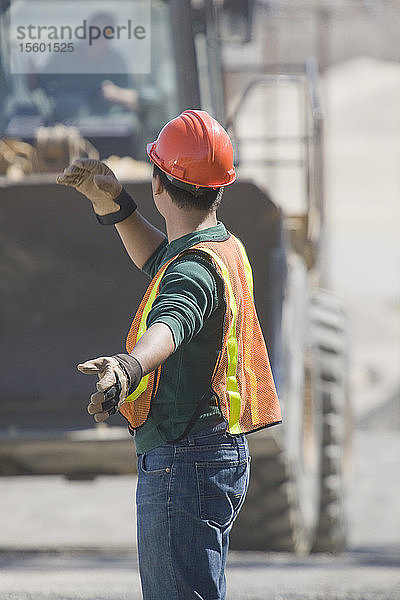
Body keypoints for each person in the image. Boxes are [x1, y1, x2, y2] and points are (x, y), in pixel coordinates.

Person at [57, 109, 281, 600]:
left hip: (185, 455)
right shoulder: (220, 248)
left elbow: (171, 322)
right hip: (212, 448)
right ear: (220, 187)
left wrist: (127, 366)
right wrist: (115, 203)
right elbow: (163, 260)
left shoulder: (193, 272)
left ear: (159, 184)